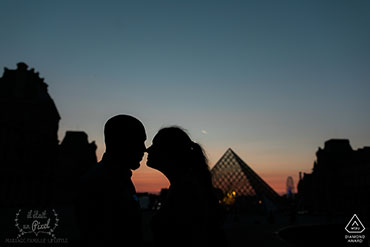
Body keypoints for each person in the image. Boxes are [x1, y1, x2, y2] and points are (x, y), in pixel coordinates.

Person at [146, 126, 226, 247]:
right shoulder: (187, 185)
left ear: (170, 151)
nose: (148, 149)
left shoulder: (185, 191)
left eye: (154, 145)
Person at [76, 115, 146, 247]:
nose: (144, 149)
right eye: (138, 141)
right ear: (120, 142)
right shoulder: (99, 182)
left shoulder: (117, 177)